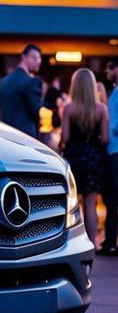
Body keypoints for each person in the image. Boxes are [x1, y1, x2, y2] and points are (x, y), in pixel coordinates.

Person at [61, 68, 110, 250]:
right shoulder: (101, 109)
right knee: (91, 203)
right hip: (93, 157)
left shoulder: (69, 109)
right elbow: (105, 138)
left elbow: (65, 138)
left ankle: (73, 244)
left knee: (72, 203)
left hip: (74, 157)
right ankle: (92, 243)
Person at [0, 44, 43, 137]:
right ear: (23, 57)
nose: (38, 61)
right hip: (26, 137)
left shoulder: (4, 81)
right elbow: (36, 110)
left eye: (39, 58)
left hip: (5, 135)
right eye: (34, 57)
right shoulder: (30, 81)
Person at [102, 59, 118, 256]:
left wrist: (108, 131)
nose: (106, 72)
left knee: (113, 199)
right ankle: (110, 241)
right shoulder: (114, 91)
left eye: (108, 69)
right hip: (113, 150)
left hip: (116, 150)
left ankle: (111, 242)